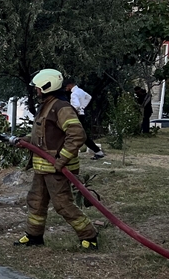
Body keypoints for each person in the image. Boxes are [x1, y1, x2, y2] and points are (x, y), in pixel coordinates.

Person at [11, 69, 99, 250]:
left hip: (56, 168)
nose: (36, 91)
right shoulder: (47, 105)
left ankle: (89, 236)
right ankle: (34, 236)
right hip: (43, 168)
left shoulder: (62, 108)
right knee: (36, 201)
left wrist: (61, 160)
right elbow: (42, 133)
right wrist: (26, 140)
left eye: (37, 88)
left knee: (63, 204)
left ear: (46, 87)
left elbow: (77, 135)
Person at [63, 79, 105, 159]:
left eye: (66, 87)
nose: (65, 89)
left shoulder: (74, 94)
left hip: (76, 115)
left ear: (69, 85)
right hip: (82, 114)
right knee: (82, 135)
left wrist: (77, 110)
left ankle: (98, 152)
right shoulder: (80, 91)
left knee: (75, 135)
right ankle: (98, 152)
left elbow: (76, 105)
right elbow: (89, 97)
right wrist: (83, 107)